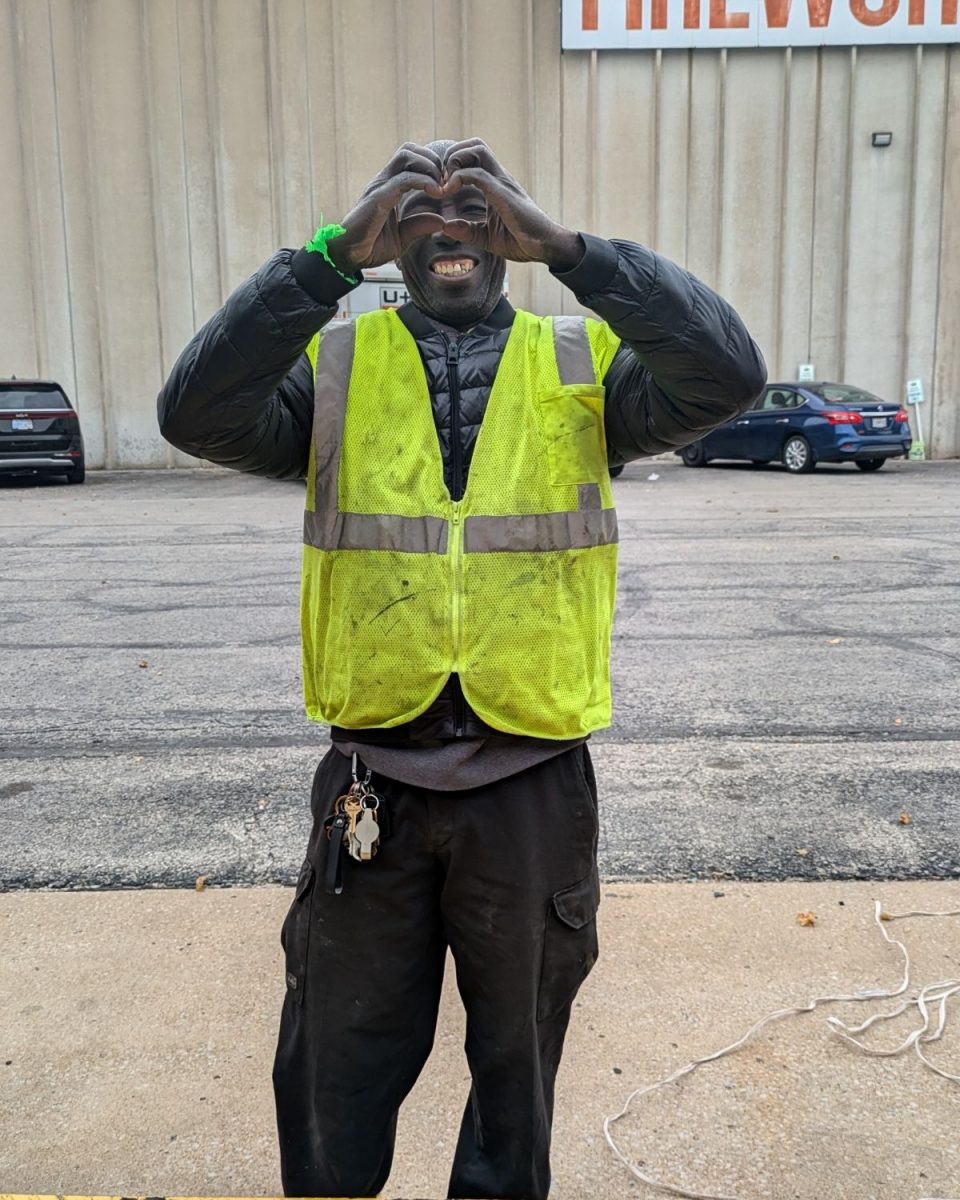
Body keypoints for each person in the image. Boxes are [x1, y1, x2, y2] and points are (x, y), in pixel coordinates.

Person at [158, 137, 766, 1200]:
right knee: (332, 1070)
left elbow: (727, 372)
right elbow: (195, 411)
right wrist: (326, 260)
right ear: (390, 242)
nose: (449, 227)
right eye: (420, 211)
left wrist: (575, 250)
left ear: (509, 235)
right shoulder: (332, 370)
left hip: (527, 779)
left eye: (475, 210)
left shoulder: (582, 368)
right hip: (373, 779)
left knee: (516, 1073)